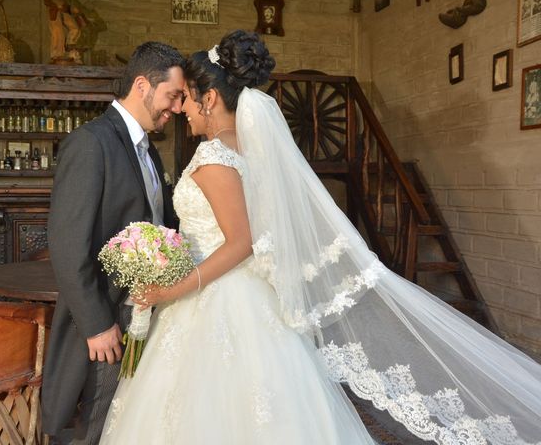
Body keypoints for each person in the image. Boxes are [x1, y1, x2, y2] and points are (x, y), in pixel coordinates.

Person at [101, 30, 541, 444]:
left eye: (189, 100)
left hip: (218, 297)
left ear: (211, 98)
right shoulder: (246, 149)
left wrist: (172, 288)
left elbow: (241, 242)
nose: (181, 109)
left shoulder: (215, 157)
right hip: (242, 294)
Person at [42, 41, 185, 444]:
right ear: (142, 85)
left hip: (144, 306)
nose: (176, 108)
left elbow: (160, 222)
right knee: (98, 422)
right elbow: (68, 244)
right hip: (109, 314)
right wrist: (97, 324)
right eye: (172, 96)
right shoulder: (91, 143)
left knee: (126, 419)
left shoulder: (149, 152)